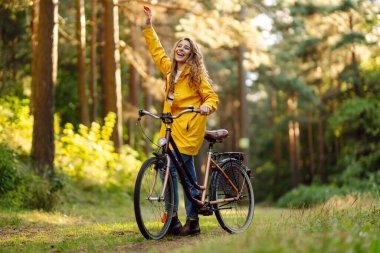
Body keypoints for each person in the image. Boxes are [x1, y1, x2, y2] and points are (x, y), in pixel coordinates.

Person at [143, 6, 219, 236]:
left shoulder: (196, 76)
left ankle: (180, 219)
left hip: (190, 126)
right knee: (180, 172)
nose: (181, 49)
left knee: (177, 171)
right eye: (179, 46)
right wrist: (148, 26)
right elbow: (157, 51)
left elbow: (212, 96)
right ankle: (185, 220)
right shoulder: (169, 71)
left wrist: (207, 106)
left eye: (186, 48)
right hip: (171, 127)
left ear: (191, 54)